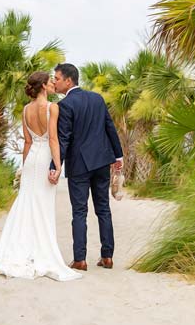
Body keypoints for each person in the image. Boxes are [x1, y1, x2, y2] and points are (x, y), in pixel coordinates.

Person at [0, 71, 82, 281]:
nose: (52, 84)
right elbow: (53, 139)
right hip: (45, 159)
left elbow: (27, 142)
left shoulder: (25, 110)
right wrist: (58, 166)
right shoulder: (52, 107)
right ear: (43, 86)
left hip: (31, 160)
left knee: (27, 201)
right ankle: (38, 251)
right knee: (42, 205)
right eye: (50, 82)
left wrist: (24, 167)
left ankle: (20, 249)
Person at [49, 63, 123, 271]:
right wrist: (118, 155)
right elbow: (110, 127)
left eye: (57, 78)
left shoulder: (65, 106)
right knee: (103, 209)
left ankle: (80, 260)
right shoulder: (97, 99)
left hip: (80, 165)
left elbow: (63, 139)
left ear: (68, 81)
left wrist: (55, 165)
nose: (55, 81)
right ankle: (107, 257)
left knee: (79, 211)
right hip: (101, 161)